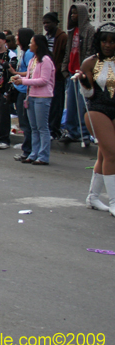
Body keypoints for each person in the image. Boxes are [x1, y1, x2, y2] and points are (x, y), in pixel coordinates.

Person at [75, 23, 115, 215]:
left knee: (104, 154)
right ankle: (114, 202)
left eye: (112, 41)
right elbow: (88, 94)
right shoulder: (89, 63)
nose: (108, 45)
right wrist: (83, 82)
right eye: (104, 41)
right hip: (97, 110)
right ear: (98, 42)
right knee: (113, 154)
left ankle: (93, 197)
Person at [12, 34, 54, 165]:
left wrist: (23, 81)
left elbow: (44, 80)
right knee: (33, 127)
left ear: (38, 45)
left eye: (32, 42)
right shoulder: (33, 60)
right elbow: (30, 75)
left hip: (43, 97)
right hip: (31, 96)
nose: (30, 45)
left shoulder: (46, 60)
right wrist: (18, 77)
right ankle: (34, 153)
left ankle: (43, 155)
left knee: (42, 128)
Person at [61, 3, 96, 143]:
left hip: (82, 74)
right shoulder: (71, 30)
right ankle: (72, 132)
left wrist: (85, 71)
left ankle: (85, 133)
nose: (72, 16)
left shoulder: (89, 30)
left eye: (75, 13)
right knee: (71, 105)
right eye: (71, 13)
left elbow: (90, 52)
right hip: (71, 72)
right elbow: (68, 51)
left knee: (83, 105)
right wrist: (65, 68)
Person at [11, 29, 35, 162]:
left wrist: (17, 74)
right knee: (23, 121)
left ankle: (28, 150)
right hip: (19, 89)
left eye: (18, 35)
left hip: (25, 90)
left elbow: (30, 72)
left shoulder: (29, 54)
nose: (16, 37)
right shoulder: (24, 52)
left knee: (25, 122)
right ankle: (27, 147)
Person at [43, 12, 67, 139]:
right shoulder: (46, 37)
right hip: (46, 75)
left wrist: (59, 69)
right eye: (44, 23)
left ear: (56, 23)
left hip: (57, 75)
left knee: (56, 103)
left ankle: (54, 129)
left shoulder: (62, 37)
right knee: (48, 103)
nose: (46, 25)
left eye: (48, 22)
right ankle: (47, 128)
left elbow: (65, 55)